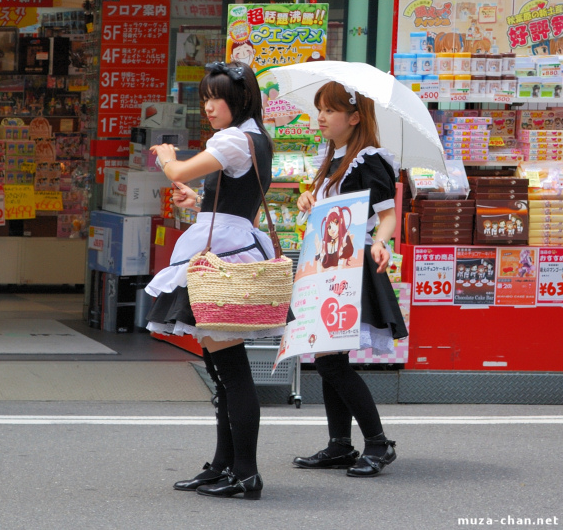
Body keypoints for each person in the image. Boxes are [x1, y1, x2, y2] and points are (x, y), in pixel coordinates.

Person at [146, 61, 278, 500]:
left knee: (231, 372)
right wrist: (198, 200)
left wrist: (168, 159)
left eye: (216, 97)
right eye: (205, 97)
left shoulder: (236, 138)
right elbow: (231, 202)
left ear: (238, 100)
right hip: (228, 243)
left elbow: (178, 171)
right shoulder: (253, 138)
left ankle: (245, 472)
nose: (208, 106)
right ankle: (225, 465)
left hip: (222, 253)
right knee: (222, 371)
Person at [292, 81, 408, 478]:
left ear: (354, 117)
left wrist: (380, 242)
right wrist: (308, 199)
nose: (320, 117)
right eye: (319, 109)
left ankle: (377, 443)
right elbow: (328, 212)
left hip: (352, 265)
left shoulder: (368, 159)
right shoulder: (332, 158)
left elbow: (388, 214)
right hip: (327, 264)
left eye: (330, 110)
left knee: (329, 361)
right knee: (328, 356)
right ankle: (340, 444)